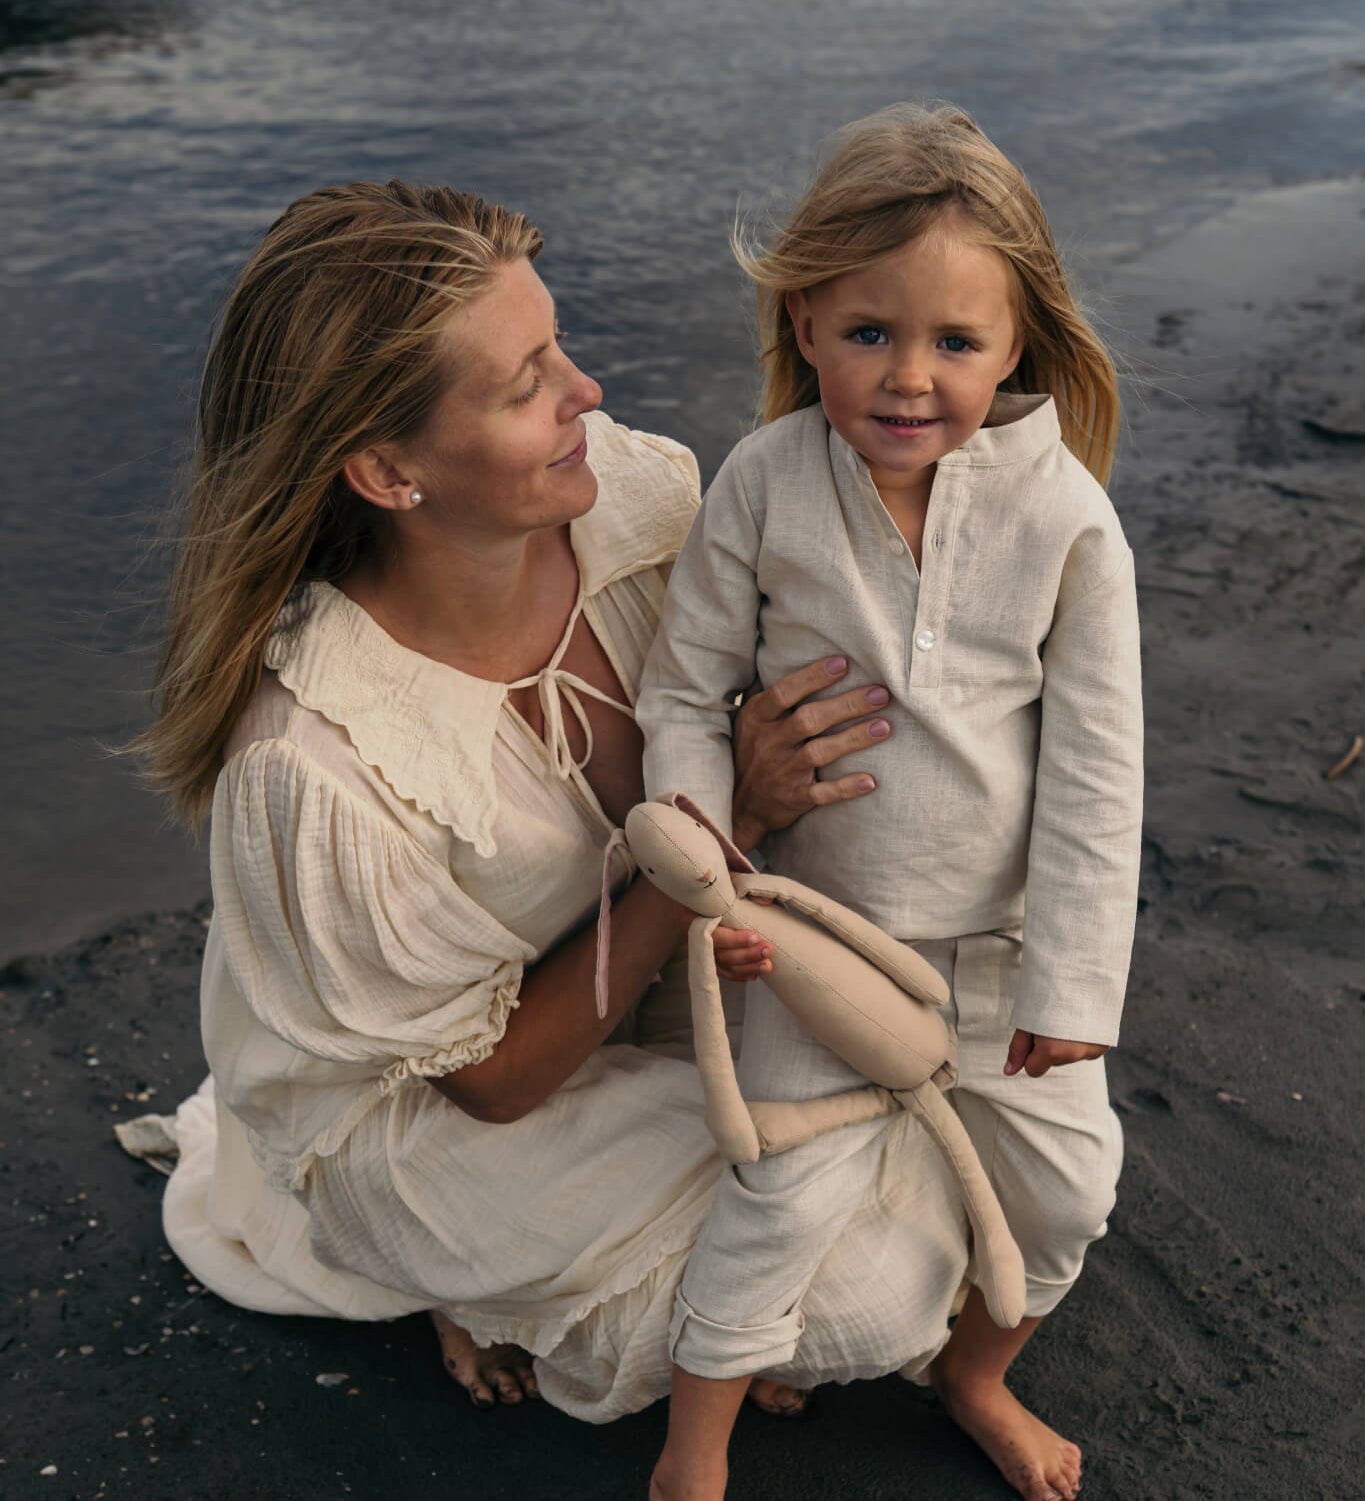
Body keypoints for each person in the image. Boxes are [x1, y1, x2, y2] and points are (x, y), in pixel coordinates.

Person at [127, 180, 976, 1429]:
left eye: (559, 343)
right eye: (527, 383)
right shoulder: (308, 762)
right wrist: (718, 826)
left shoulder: (632, 504)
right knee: (881, 1292)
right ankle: (465, 1283)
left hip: (649, 962)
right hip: (434, 1108)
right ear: (384, 468)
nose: (586, 390)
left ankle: (609, 1278)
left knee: (974, 1147)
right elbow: (491, 1082)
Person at [638, 103, 1143, 1501]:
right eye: (869, 332)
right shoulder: (762, 482)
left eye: (955, 343)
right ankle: (695, 1453)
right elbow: (684, 695)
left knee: (1068, 1193)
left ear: (1018, 342)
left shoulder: (1067, 523)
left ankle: (974, 1374)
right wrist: (710, 880)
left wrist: (1074, 984)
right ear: (804, 323)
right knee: (776, 1192)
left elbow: (1102, 767)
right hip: (815, 942)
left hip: (1003, 959)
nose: (907, 378)